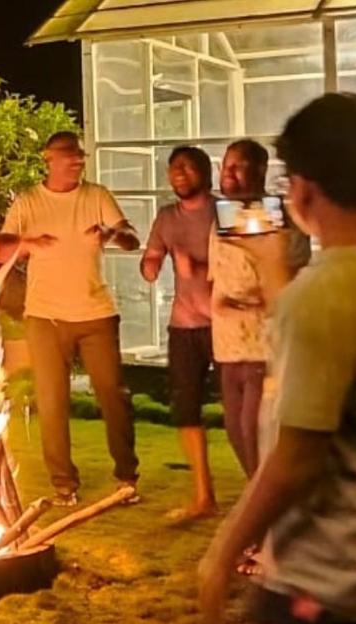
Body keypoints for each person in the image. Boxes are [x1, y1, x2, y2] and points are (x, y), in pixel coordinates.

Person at [200, 92, 356, 624]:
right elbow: (318, 341)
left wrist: (224, 551)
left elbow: (299, 457)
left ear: (300, 190)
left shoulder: (322, 294)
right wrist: (273, 264)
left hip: (315, 584)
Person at [0, 131, 140, 507]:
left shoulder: (96, 196)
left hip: (96, 313)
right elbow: (1, 249)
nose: (78, 161)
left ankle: (126, 477)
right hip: (45, 317)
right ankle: (63, 484)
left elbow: (130, 237)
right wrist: (29, 244)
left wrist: (111, 232)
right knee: (51, 400)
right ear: (49, 158)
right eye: (70, 155)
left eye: (81, 156)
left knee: (112, 396)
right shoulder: (29, 202)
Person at [209, 141, 310, 478]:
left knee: (256, 430)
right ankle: (258, 497)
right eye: (226, 165)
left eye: (239, 166)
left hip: (263, 344)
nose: (229, 173)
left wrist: (255, 298)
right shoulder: (221, 220)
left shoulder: (279, 218)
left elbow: (292, 271)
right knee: (236, 431)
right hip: (227, 344)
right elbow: (218, 275)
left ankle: (266, 509)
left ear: (260, 171)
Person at [140, 147, 217, 520]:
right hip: (185, 326)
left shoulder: (223, 212)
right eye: (173, 168)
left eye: (187, 167)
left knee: (242, 414)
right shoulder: (167, 218)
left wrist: (197, 265)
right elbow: (152, 258)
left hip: (226, 324)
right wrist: (152, 263)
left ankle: (260, 490)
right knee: (186, 410)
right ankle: (203, 495)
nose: (179, 173)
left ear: (204, 172)